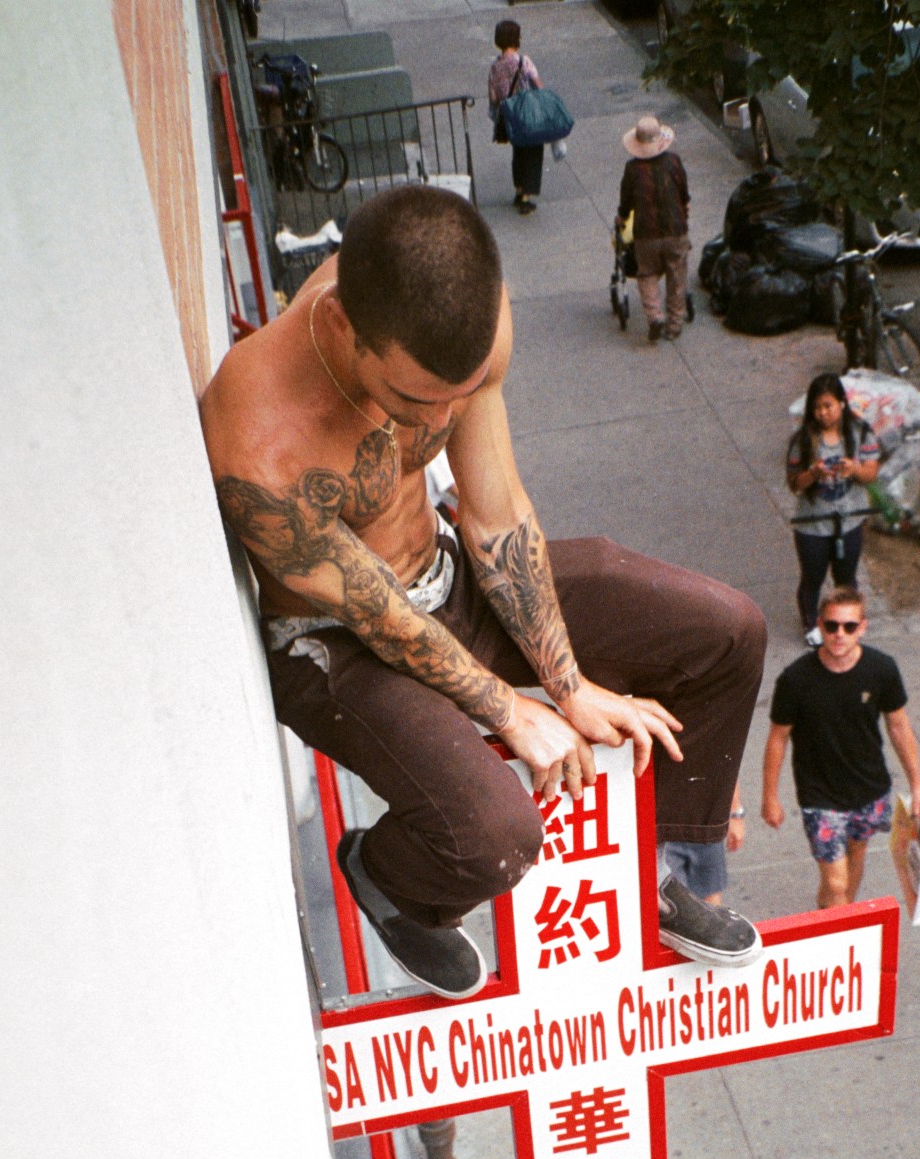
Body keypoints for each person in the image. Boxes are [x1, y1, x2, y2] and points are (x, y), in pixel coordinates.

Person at [199, 185, 766, 998]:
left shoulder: (465, 320)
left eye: (455, 396)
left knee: (726, 632)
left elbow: (494, 518)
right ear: (338, 327)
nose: (436, 418)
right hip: (339, 646)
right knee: (495, 836)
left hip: (445, 579)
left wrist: (565, 685)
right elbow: (377, 615)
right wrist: (509, 709)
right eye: (411, 401)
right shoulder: (258, 440)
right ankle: (394, 880)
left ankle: (657, 871)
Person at [761, 584, 920, 909]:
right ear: (820, 626)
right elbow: (777, 739)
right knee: (835, 882)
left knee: (857, 853)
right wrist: (770, 797)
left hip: (869, 787)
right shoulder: (795, 680)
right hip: (820, 795)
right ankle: (836, 925)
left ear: (862, 628)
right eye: (832, 626)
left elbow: (899, 727)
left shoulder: (881, 669)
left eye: (849, 626)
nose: (840, 634)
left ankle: (841, 924)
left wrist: (918, 785)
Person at [786, 372, 880, 644]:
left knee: (846, 577)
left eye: (828, 406)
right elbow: (795, 483)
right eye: (817, 408)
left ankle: (847, 622)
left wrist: (855, 469)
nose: (823, 413)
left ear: (841, 403)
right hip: (813, 524)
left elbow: (871, 473)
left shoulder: (859, 432)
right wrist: (813, 474)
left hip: (849, 520)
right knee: (812, 576)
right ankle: (811, 625)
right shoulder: (803, 440)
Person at [616, 115, 690, 342]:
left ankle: (655, 316)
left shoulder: (632, 169)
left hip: (646, 234)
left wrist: (622, 217)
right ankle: (675, 324)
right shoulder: (674, 162)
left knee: (646, 273)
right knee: (676, 274)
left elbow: (626, 202)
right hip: (675, 229)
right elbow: (684, 193)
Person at [489, 20, 543, 218]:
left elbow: (493, 98)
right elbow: (538, 85)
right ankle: (527, 198)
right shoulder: (524, 61)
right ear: (516, 39)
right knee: (532, 153)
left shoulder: (495, 67)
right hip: (527, 114)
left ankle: (519, 190)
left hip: (510, 117)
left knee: (518, 152)